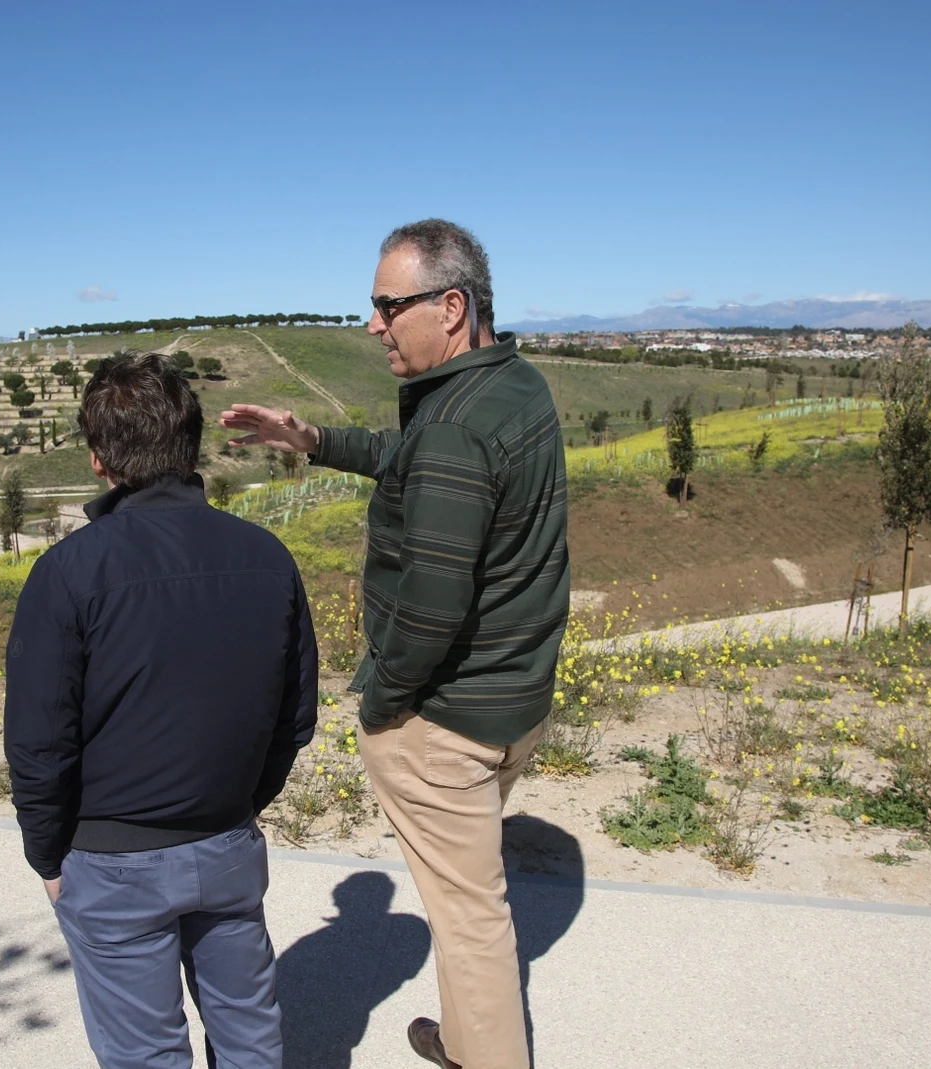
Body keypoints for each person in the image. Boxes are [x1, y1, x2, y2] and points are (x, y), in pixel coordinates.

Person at [220, 219, 569, 1069]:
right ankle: (463, 1033)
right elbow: (411, 458)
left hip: (447, 721)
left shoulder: (455, 422)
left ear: (450, 307)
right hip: (513, 697)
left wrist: (380, 702)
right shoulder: (509, 386)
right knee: (468, 904)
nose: (374, 325)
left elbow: (431, 608)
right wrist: (313, 441)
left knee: (468, 916)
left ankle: (485, 1054)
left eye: (387, 305)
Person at [6, 351, 318, 1069]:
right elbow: (294, 717)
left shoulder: (69, 571)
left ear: (97, 459)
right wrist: (237, 805)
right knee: (251, 1038)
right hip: (227, 843)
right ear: (191, 444)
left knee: (146, 1054)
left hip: (112, 859)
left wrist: (48, 855)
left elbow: (38, 742)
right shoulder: (267, 556)